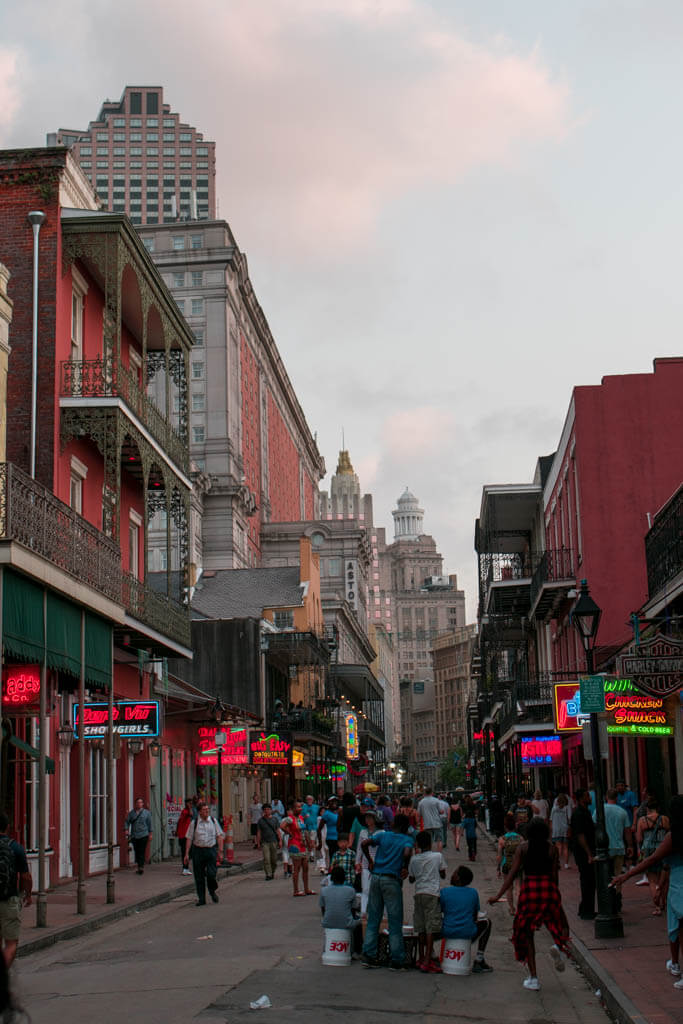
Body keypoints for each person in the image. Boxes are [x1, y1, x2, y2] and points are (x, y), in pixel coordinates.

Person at [489, 817, 569, 991]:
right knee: (561, 923)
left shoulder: (523, 848)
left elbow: (512, 873)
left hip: (530, 889)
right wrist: (555, 895)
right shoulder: (552, 849)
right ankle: (558, 945)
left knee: (526, 933)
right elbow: (555, 876)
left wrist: (498, 895)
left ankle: (533, 977)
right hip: (548, 887)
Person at [612, 794, 683, 990]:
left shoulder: (673, 836)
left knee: (677, 927)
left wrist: (625, 877)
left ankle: (677, 966)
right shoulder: (671, 833)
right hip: (675, 881)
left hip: (678, 884)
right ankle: (675, 964)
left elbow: (652, 860)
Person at [361, 813, 415, 970]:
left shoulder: (384, 836)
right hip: (392, 879)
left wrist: (370, 861)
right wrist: (404, 866)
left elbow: (365, 843)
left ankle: (369, 955)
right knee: (395, 920)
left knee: (373, 918)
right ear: (406, 827)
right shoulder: (407, 839)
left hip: (376, 877)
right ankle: (396, 959)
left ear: (393, 824)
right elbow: (406, 852)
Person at [441, 865, 493, 973]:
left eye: (454, 873)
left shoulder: (444, 891)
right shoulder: (473, 893)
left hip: (447, 930)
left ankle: (430, 956)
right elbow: (475, 916)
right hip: (467, 932)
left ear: (458, 878)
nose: (451, 875)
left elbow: (439, 911)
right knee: (487, 922)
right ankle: (479, 959)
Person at [409, 830, 447, 972]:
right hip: (432, 893)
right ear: (430, 843)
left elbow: (412, 879)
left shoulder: (414, 859)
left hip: (419, 893)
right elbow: (443, 874)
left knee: (421, 926)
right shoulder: (438, 856)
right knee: (431, 926)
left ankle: (421, 956)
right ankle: (427, 960)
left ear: (417, 844)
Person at [0, 812, 32, 968]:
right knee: (11, 944)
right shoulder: (16, 848)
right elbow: (26, 877)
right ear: (7, 827)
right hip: (9, 900)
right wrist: (28, 894)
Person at [184, 803, 225, 906]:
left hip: (210, 850)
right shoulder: (195, 823)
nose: (207, 811)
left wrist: (220, 851)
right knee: (199, 876)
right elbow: (189, 838)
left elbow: (219, 836)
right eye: (204, 810)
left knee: (211, 874)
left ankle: (212, 891)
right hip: (198, 851)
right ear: (199, 812)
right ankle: (201, 898)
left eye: (208, 809)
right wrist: (187, 854)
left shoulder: (213, 821)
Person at [635, 798, 670, 915]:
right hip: (663, 849)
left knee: (652, 880)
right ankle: (663, 902)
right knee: (664, 879)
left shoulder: (642, 820)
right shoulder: (665, 819)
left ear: (647, 809)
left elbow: (639, 838)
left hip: (648, 852)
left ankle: (657, 907)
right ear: (658, 808)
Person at [320, 865, 363, 956]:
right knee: (359, 924)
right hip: (346, 922)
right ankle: (356, 951)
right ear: (344, 877)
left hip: (328, 922)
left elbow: (323, 909)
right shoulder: (351, 890)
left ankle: (327, 949)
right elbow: (353, 910)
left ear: (331, 878)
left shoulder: (324, 890)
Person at [570, 788, 596, 920]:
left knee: (589, 880)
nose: (590, 798)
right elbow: (580, 835)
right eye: (587, 796)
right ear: (581, 799)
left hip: (585, 851)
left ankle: (585, 908)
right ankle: (587, 910)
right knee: (587, 880)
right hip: (583, 853)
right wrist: (589, 854)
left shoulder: (585, 812)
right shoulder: (579, 814)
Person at [281, 799, 315, 897]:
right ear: (293, 809)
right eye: (298, 807)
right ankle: (296, 890)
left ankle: (306, 888)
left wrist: (309, 843)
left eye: (300, 807)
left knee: (305, 867)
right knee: (297, 867)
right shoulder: (290, 819)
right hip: (295, 844)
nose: (300, 809)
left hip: (302, 844)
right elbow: (282, 826)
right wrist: (290, 833)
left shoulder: (300, 818)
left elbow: (304, 831)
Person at [598, 788, 633, 880]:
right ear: (617, 798)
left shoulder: (600, 810)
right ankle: (617, 891)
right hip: (619, 847)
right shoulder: (622, 812)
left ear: (606, 797)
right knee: (617, 874)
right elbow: (627, 831)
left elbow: (594, 825)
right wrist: (629, 846)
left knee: (606, 874)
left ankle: (608, 891)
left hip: (605, 847)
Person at [355, 811, 381, 916]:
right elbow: (359, 849)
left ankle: (378, 913)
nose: (368, 820)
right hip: (365, 864)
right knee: (365, 889)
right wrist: (357, 862)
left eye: (370, 818)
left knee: (377, 890)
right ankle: (364, 912)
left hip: (378, 864)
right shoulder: (363, 832)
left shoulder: (381, 833)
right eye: (366, 818)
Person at [496, 813, 523, 915]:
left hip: (506, 865)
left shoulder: (502, 839)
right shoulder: (520, 838)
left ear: (505, 826)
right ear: (515, 826)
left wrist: (498, 868)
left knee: (508, 888)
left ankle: (512, 909)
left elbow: (499, 856)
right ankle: (520, 908)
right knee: (518, 887)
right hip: (518, 865)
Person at [124, 797, 153, 875]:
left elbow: (150, 824)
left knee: (141, 850)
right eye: (137, 802)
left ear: (143, 804)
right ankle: (139, 865)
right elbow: (127, 822)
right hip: (134, 835)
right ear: (135, 804)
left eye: (140, 802)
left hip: (144, 835)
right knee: (137, 850)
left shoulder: (147, 813)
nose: (139, 804)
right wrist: (126, 829)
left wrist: (150, 834)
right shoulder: (131, 813)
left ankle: (141, 867)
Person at [256, 803, 281, 881]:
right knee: (266, 858)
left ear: (271, 810)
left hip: (273, 841)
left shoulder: (275, 819)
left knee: (274, 859)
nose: (267, 811)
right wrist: (258, 843)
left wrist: (280, 840)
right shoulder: (260, 821)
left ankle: (272, 871)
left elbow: (278, 830)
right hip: (265, 842)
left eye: (268, 809)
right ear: (263, 811)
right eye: (265, 810)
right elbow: (259, 832)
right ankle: (268, 874)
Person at [417, 787, 445, 851]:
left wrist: (418, 822)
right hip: (437, 823)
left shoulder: (421, 802)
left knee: (429, 840)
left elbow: (419, 814)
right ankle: (439, 854)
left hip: (427, 824)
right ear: (431, 792)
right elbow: (441, 811)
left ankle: (429, 854)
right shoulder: (436, 800)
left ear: (424, 793)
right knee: (439, 840)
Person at [317, 798, 341, 867]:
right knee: (333, 855)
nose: (334, 803)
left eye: (335, 801)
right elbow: (319, 829)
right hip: (331, 838)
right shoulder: (326, 814)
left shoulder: (339, 812)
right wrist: (320, 842)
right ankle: (331, 870)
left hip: (339, 837)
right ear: (328, 803)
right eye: (332, 802)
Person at [550, 793, 571, 870]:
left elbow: (551, 820)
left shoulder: (554, 809)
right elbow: (569, 818)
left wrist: (551, 829)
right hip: (565, 829)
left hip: (556, 829)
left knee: (558, 847)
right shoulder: (566, 808)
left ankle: (557, 863)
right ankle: (566, 864)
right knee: (566, 847)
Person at [176, 799, 193, 876]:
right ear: (186, 804)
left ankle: (186, 868)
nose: (191, 805)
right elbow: (190, 814)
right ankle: (185, 868)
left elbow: (179, 822)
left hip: (185, 835)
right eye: (190, 803)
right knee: (185, 853)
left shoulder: (184, 812)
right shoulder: (185, 812)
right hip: (184, 836)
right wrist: (189, 808)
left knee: (187, 853)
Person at [302, 794, 320, 861]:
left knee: (312, 841)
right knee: (308, 842)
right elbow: (300, 817)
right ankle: (310, 853)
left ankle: (312, 855)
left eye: (310, 799)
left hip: (314, 827)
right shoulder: (303, 807)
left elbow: (320, 814)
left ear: (313, 800)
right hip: (306, 827)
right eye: (308, 799)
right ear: (306, 800)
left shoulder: (316, 807)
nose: (309, 800)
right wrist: (304, 817)